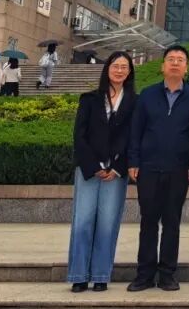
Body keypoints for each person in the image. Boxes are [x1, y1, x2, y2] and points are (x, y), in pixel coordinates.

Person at [126, 44, 189, 293]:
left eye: (180, 59)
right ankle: (145, 274)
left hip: (178, 169)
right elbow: (135, 130)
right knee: (148, 221)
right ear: (163, 66)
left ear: (186, 67)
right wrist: (133, 161)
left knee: (172, 222)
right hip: (148, 168)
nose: (175, 63)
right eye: (171, 59)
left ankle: (168, 274)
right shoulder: (147, 95)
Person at [67, 51, 137, 292]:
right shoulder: (89, 99)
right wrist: (94, 166)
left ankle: (100, 275)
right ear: (107, 69)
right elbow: (79, 136)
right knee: (83, 221)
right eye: (115, 66)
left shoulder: (135, 102)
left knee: (108, 223)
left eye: (124, 67)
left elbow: (134, 138)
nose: (119, 70)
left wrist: (118, 167)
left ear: (130, 71)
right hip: (89, 169)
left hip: (116, 171)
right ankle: (78, 275)